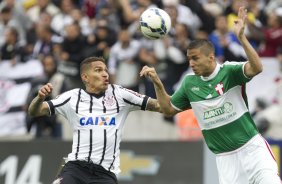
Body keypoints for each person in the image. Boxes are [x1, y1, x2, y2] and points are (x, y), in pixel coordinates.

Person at [140, 7, 282, 184]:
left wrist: (241, 38)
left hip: (252, 150)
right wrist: (157, 83)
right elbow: (168, 109)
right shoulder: (189, 83)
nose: (191, 63)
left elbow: (257, 68)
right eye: (189, 59)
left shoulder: (230, 71)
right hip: (225, 160)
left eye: (195, 58)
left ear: (211, 57)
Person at [28, 56, 161, 184]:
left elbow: (162, 106)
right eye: (98, 70)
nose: (105, 74)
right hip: (76, 169)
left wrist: (157, 83)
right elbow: (35, 111)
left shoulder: (120, 94)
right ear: (85, 77)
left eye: (106, 70)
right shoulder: (72, 97)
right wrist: (40, 98)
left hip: (105, 174)